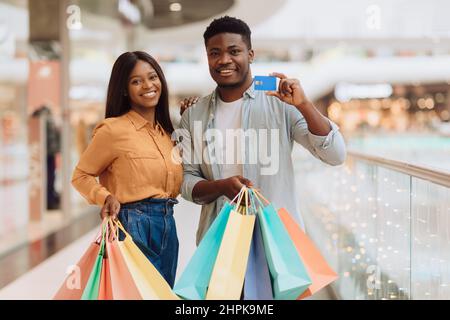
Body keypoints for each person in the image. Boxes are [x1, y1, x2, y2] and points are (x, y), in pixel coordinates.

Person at [178, 16, 347, 245]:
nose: (224, 60)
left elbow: (335, 155)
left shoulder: (279, 101)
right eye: (215, 53)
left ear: (250, 54)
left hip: (277, 243)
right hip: (219, 243)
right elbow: (186, 181)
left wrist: (304, 105)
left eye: (234, 51)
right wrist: (222, 186)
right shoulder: (193, 114)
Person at [71, 51, 182, 287]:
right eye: (136, 81)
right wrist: (105, 196)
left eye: (152, 77)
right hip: (132, 225)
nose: (148, 85)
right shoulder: (113, 130)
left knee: (163, 293)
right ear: (124, 89)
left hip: (167, 225)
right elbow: (80, 175)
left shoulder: (166, 134)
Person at [31, 105, 61, 210]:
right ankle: (49, 202)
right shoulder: (47, 117)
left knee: (49, 177)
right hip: (47, 153)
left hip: (46, 153)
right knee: (49, 177)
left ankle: (49, 201)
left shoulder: (40, 116)